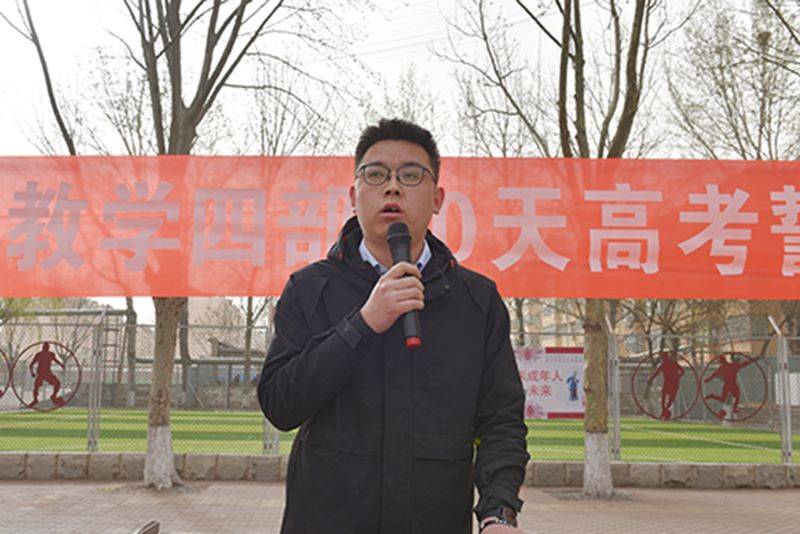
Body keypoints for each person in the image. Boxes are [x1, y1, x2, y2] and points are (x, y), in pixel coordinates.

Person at [258, 118, 529, 534]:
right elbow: (280, 404)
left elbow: (501, 420)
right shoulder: (310, 289)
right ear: (354, 196)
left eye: (410, 175)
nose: (393, 187)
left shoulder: (476, 300)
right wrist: (363, 323)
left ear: (437, 199)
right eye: (376, 174)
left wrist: (499, 512)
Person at [647, 351, 685, 420]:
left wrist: (677, 376)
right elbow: (682, 371)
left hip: (673, 382)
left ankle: (665, 411)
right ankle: (664, 411)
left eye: (664, 358)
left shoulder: (672, 364)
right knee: (666, 397)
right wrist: (650, 379)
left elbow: (682, 371)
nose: (663, 359)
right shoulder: (668, 364)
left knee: (668, 397)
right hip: (670, 382)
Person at [29, 342, 65, 407]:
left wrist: (61, 364)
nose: (45, 348)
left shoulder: (51, 354)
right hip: (41, 373)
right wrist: (32, 373)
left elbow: (56, 360)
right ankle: (35, 399)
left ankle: (53, 396)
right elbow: (31, 364)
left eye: (47, 347)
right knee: (36, 386)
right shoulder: (39, 354)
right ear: (43, 347)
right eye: (45, 347)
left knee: (57, 383)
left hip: (47, 373)